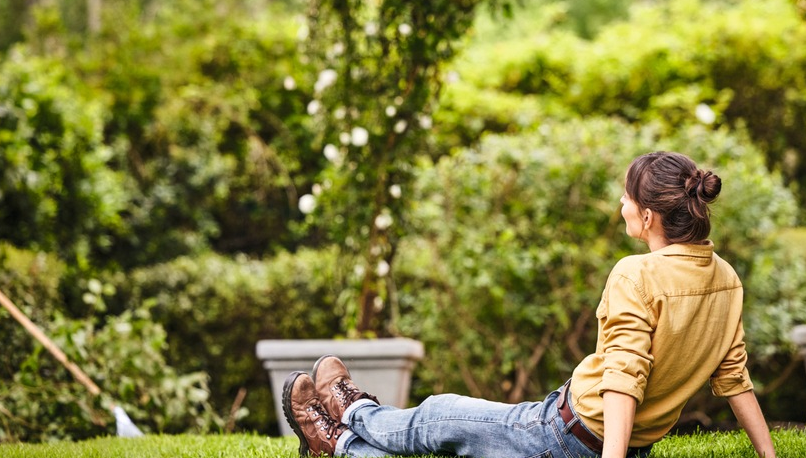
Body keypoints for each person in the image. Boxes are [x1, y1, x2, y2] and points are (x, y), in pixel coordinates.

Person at [283, 150, 777, 458]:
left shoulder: (637, 273)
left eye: (626, 198)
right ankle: (339, 444)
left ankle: (351, 414)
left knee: (439, 415)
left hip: (565, 434)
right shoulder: (726, 278)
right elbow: (733, 376)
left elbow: (625, 379)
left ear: (647, 216)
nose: (621, 205)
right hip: (615, 442)